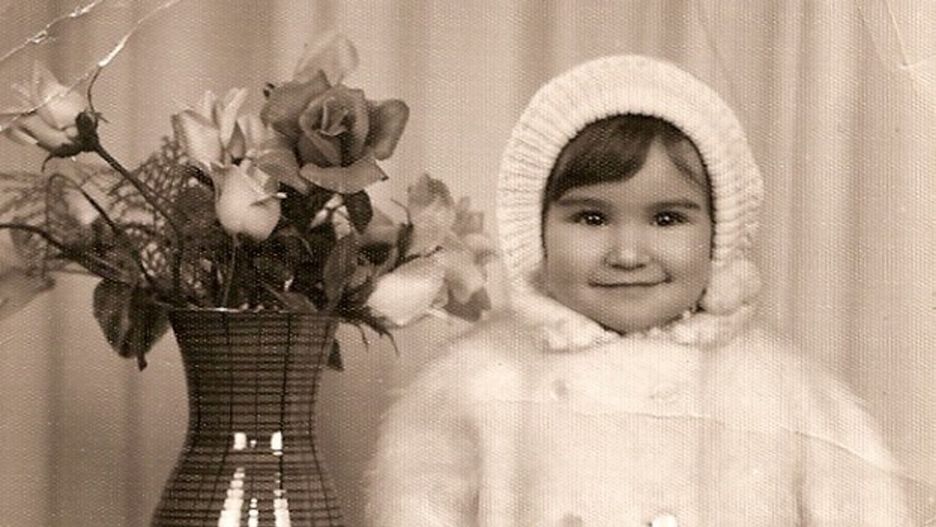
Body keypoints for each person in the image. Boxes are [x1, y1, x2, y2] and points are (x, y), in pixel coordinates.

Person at [365, 55, 912, 526]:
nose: (628, 254)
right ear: (537, 230)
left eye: (667, 219)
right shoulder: (475, 385)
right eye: (592, 218)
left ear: (719, 233)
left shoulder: (784, 392)